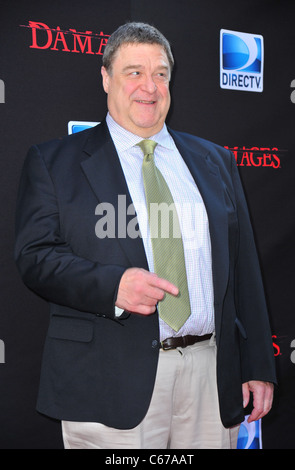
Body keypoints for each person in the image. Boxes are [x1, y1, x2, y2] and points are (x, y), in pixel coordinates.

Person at [15, 22, 276, 449]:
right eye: (134, 72)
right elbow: (35, 257)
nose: (149, 87)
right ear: (105, 78)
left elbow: (244, 268)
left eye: (160, 73)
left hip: (210, 377)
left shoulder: (215, 161)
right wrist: (112, 287)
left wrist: (258, 364)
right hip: (107, 379)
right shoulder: (53, 162)